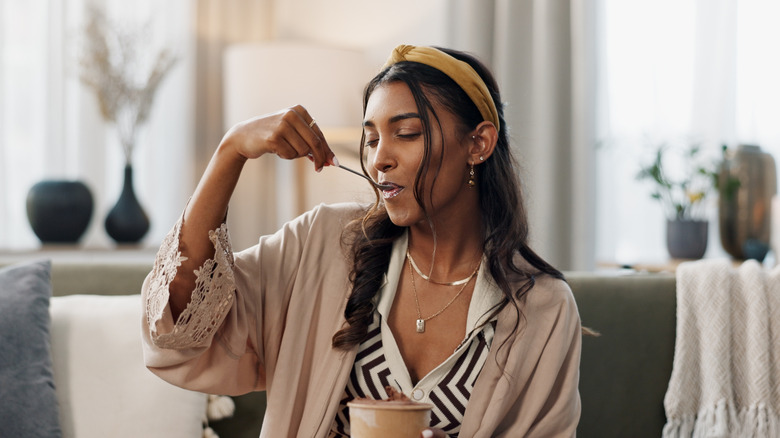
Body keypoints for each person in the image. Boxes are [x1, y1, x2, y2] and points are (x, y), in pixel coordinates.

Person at [142, 44, 582, 437]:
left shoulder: (543, 309)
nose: (379, 161)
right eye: (371, 140)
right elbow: (178, 329)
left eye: (406, 134)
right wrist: (230, 152)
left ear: (479, 143)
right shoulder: (322, 244)